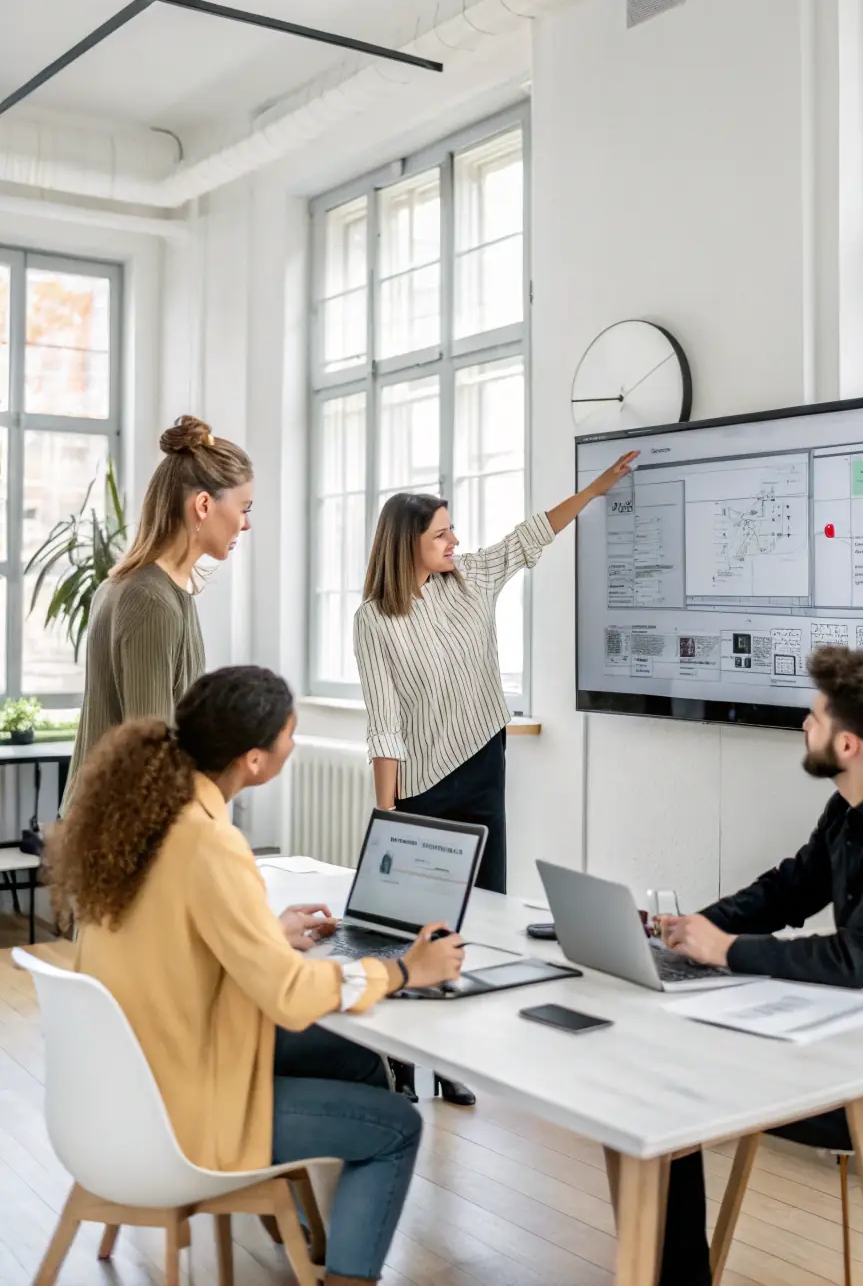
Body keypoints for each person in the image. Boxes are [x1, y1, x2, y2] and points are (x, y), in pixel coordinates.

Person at [48, 665, 464, 1286]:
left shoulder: (150, 819)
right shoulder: (212, 843)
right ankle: (343, 1273)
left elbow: (178, 940)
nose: (293, 744)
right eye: (289, 734)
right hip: (182, 1109)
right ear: (254, 759)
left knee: (353, 1057)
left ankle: (302, 1227)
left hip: (129, 1081)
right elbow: (289, 997)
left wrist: (265, 934)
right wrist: (403, 969)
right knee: (397, 1125)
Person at [653, 646, 863, 1286]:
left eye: (814, 718)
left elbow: (853, 958)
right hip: (854, 1032)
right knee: (675, 1080)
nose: (803, 727)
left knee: (679, 1098)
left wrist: (723, 950)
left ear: (847, 745)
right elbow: (788, 890)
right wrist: (695, 928)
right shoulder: (852, 808)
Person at [354, 452, 637, 1106]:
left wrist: (594, 488)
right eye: (442, 534)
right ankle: (399, 1060)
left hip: (483, 768)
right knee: (416, 933)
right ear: (409, 546)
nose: (456, 541)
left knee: (473, 921)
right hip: (420, 788)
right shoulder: (375, 620)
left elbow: (530, 534)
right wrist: (388, 816)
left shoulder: (473, 576)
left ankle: (452, 1058)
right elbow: (385, 724)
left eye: (453, 530)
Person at [61, 415, 253, 811]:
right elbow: (152, 758)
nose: (246, 524)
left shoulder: (134, 587)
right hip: (120, 835)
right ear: (203, 505)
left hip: (103, 827)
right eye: (244, 508)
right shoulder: (150, 600)